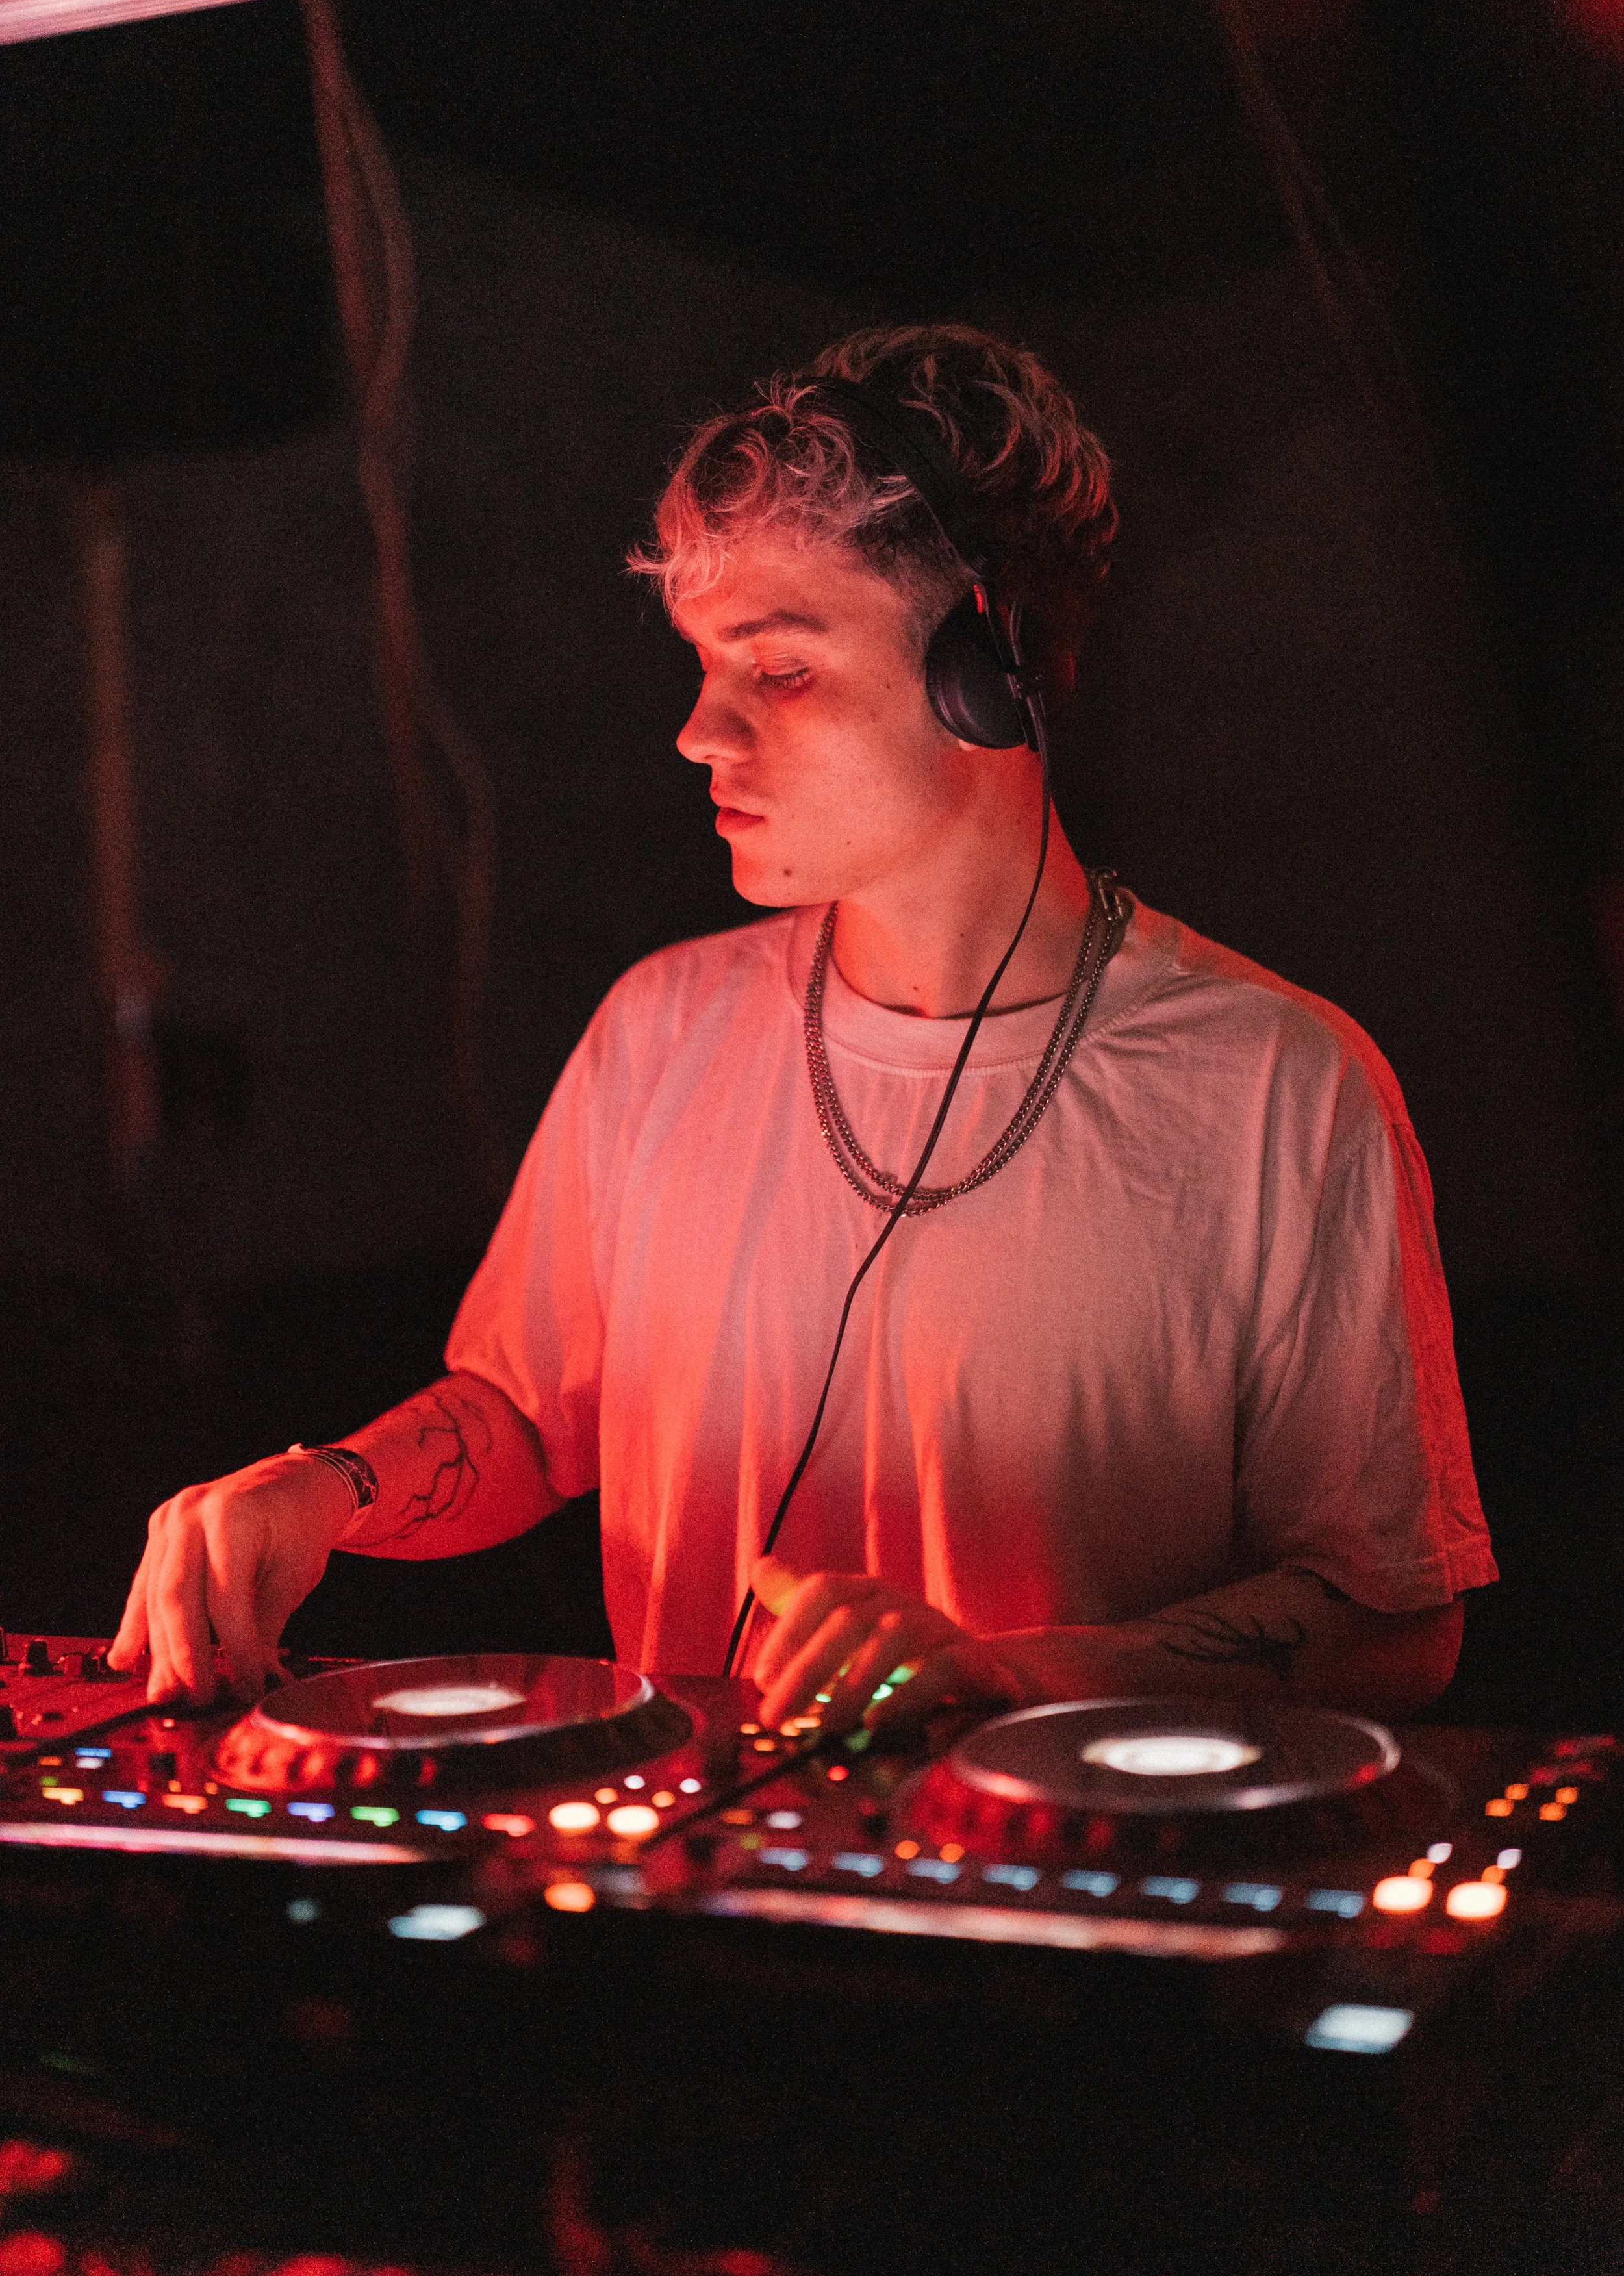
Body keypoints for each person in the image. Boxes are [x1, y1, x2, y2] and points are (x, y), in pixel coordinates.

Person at [108, 324, 1495, 1739]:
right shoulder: (657, 1030)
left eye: (776, 673)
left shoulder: (1279, 1087)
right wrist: (322, 1487)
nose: (699, 734)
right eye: (703, 668)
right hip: (685, 1899)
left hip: (1058, 1907)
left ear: (982, 668)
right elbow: (528, 1420)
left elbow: (1389, 1621)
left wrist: (1007, 1674)